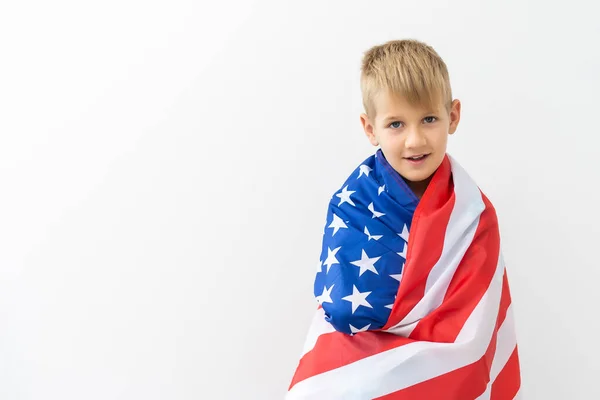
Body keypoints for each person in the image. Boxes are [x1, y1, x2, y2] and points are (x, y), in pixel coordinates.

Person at [286, 39, 522, 399]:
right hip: (361, 368)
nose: (415, 140)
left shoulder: (474, 215)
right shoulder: (353, 206)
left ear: (453, 116)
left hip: (444, 373)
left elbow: (475, 330)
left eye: (429, 119)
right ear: (370, 129)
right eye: (396, 124)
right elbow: (343, 309)